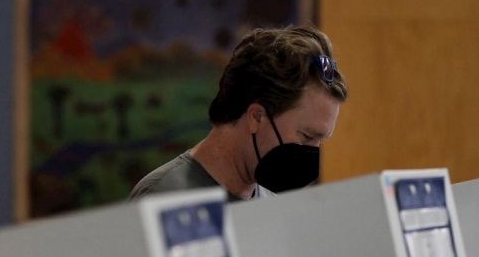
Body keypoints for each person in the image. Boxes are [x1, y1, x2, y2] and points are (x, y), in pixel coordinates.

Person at [129, 25, 348, 201]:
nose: (313, 155)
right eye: (307, 137)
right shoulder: (162, 199)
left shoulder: (274, 204)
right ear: (256, 117)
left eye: (321, 141)